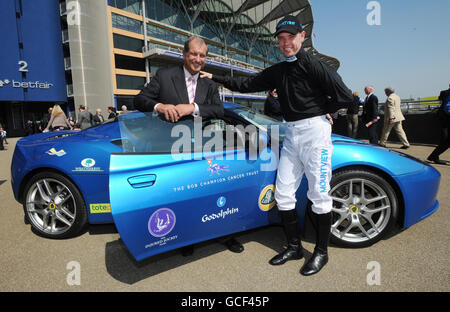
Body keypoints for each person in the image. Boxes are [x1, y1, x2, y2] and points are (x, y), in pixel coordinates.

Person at [201, 15, 353, 275]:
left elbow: (346, 97)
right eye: (281, 39)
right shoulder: (278, 70)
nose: (286, 44)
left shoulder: (315, 65)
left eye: (290, 38)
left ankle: (321, 253)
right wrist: (215, 77)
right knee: (283, 193)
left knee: (318, 194)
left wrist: (322, 111)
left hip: (316, 133)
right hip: (291, 134)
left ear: (302, 37)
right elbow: (247, 84)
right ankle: (294, 247)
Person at [134, 36, 241, 254]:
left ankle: (226, 233)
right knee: (182, 195)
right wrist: (160, 106)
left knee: (215, 193)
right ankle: (185, 238)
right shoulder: (165, 76)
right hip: (173, 148)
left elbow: (219, 110)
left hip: (206, 148)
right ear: (184, 54)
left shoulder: (209, 84)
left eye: (202, 56)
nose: (197, 59)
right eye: (193, 54)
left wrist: (191, 108)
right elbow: (139, 100)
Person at [427, 84, 450, 164]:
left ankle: (434, 156)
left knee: (445, 140)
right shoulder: (446, 93)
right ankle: (433, 156)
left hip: (444, 118)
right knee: (446, 141)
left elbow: (441, 101)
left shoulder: (443, 93)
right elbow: (447, 107)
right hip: (447, 118)